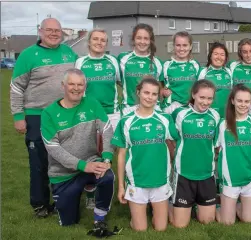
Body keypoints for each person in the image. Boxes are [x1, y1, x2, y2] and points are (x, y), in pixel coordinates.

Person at [10, 17, 78, 217]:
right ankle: (40, 204)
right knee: (39, 162)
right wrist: (18, 116)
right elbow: (16, 87)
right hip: (36, 116)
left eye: (57, 30)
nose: (54, 34)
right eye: (49, 30)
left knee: (64, 161)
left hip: (65, 114)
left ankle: (62, 200)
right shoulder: (28, 55)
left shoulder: (69, 53)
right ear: (40, 32)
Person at [41, 69, 114, 230]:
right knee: (69, 223)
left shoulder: (92, 103)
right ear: (63, 86)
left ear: (85, 86)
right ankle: (80, 193)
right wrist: (82, 165)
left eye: (80, 84)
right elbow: (53, 148)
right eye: (72, 84)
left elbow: (107, 129)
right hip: (63, 174)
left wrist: (107, 158)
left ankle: (99, 217)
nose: (76, 88)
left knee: (107, 176)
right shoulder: (49, 113)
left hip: (90, 163)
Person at [113, 76, 179, 231]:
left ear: (158, 96)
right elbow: (121, 155)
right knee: (140, 229)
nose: (150, 97)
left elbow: (177, 141)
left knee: (161, 228)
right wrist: (121, 187)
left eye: (154, 94)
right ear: (138, 92)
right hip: (137, 181)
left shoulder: (164, 119)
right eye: (146, 93)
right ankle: (137, 215)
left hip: (160, 180)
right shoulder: (126, 121)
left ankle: (162, 210)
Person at [74, 29, 120, 210]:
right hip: (90, 114)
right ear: (89, 41)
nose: (99, 42)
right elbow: (76, 88)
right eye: (96, 39)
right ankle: (91, 192)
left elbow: (121, 82)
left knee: (110, 153)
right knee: (90, 153)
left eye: (103, 40)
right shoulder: (81, 62)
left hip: (113, 114)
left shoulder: (112, 62)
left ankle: (112, 189)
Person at [168, 80, 221, 228]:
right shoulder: (180, 114)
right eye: (202, 97)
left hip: (207, 174)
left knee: (207, 221)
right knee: (179, 225)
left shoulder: (215, 116)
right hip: (184, 174)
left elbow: (216, 144)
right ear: (193, 95)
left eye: (209, 98)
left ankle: (199, 204)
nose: (205, 102)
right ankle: (167, 202)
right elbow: (170, 137)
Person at [215, 84, 251, 225]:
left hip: (250, 177)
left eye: (247, 101)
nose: (243, 104)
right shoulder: (223, 124)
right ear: (233, 101)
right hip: (230, 179)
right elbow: (216, 149)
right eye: (239, 101)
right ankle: (216, 206)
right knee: (227, 223)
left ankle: (232, 205)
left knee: (250, 220)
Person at [118, 23, 165, 111]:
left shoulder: (158, 62)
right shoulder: (122, 59)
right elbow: (117, 81)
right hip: (130, 109)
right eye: (139, 38)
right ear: (133, 39)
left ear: (151, 41)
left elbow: (161, 88)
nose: (142, 42)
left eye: (146, 38)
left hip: (153, 109)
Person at [161, 31, 201, 114]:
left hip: (191, 107)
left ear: (190, 46)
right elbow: (157, 84)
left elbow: (200, 86)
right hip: (171, 107)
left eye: (185, 45)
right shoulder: (166, 65)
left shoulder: (195, 65)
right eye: (178, 45)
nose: (181, 49)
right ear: (174, 46)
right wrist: (162, 91)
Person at [198, 42, 233, 117]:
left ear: (226, 58)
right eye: (216, 54)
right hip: (209, 114)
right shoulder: (203, 72)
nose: (219, 57)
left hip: (226, 113)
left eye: (222, 55)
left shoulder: (229, 72)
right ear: (210, 56)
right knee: (211, 129)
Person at [228, 38, 251, 115]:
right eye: (245, 52)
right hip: (237, 106)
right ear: (240, 53)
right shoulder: (232, 65)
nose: (248, 55)